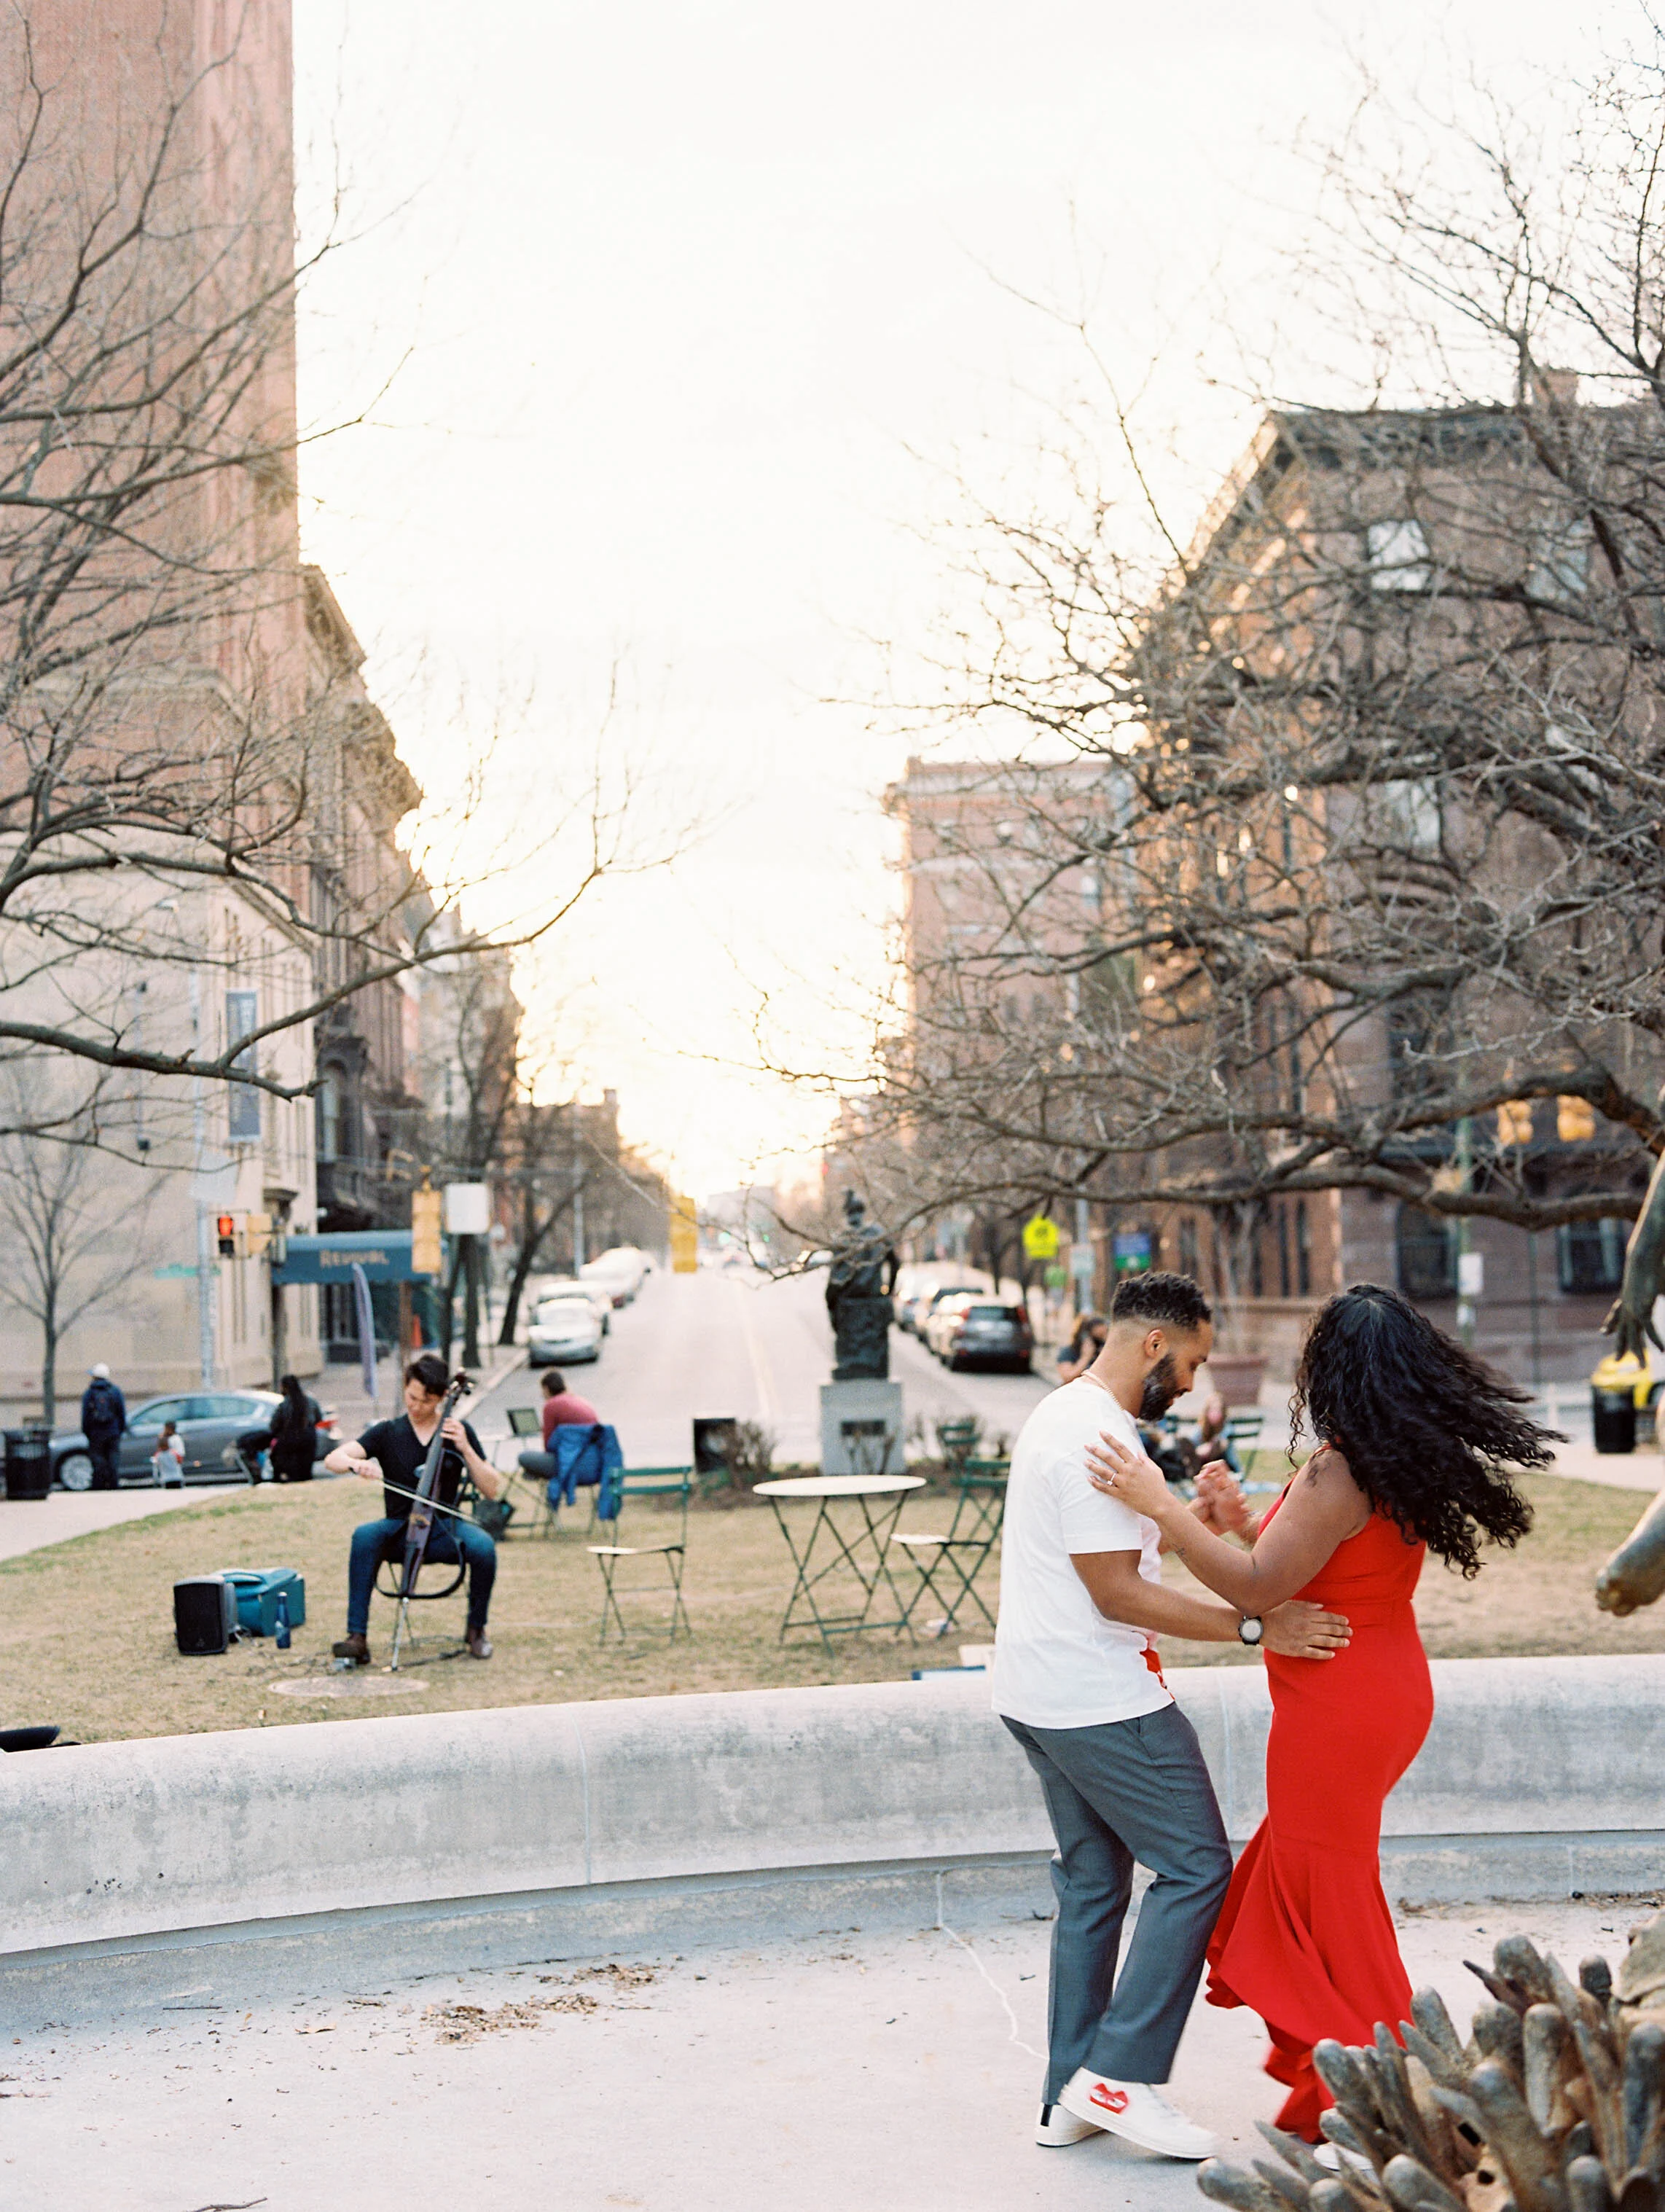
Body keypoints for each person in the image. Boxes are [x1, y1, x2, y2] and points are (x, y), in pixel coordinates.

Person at [1085, 1282, 1551, 2146]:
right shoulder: (1399, 1452)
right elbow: (1300, 1559)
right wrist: (1228, 1518)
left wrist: (1160, 1506)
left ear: (1329, 1369)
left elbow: (1261, 1586)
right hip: (1379, 1687)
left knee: (1327, 1899)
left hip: (1336, 1706)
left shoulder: (1339, 1466)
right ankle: (1342, 2085)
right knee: (1317, 1885)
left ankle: (1397, 2096)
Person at [990, 1270, 1352, 2162]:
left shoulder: (1065, 1411)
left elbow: (1115, 1560)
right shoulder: (1097, 1436)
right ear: (1154, 1343)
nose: (1190, 1382)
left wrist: (1190, 1520)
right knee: (1195, 1866)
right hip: (1096, 1697)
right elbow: (1115, 1592)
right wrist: (1254, 1624)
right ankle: (1119, 2074)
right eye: (1188, 1361)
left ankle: (1067, 2096)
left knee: (1091, 1886)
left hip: (1034, 1690)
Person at [324, 1354, 509, 1664]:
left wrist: (465, 1448)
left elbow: (491, 1488)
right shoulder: (387, 1432)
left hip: (444, 1527)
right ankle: (357, 1637)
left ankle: (476, 1630)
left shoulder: (456, 1431)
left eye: (426, 1401)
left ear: (440, 1399)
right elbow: (333, 1459)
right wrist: (357, 1464)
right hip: (399, 1526)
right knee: (364, 1537)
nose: (416, 1406)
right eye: (411, 1397)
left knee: (484, 1548)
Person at [515, 1367, 601, 1490]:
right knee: (532, 1468)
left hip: (569, 1463)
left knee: (524, 1457)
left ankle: (534, 1475)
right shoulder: (582, 1401)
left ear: (546, 1388)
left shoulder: (551, 1405)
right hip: (593, 1463)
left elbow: (548, 1445)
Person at [79, 1363, 127, 1491]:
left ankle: (99, 1484)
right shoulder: (115, 1391)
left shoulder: (89, 1393)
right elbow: (121, 1413)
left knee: (98, 1459)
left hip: (96, 1433)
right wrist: (120, 1430)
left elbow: (85, 1416)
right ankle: (113, 1484)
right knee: (113, 1459)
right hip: (113, 1432)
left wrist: (87, 1432)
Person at [267, 1374, 322, 1483]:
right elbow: (318, 1418)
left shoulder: (284, 1404)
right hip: (309, 1438)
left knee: (291, 1472)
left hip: (290, 1440)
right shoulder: (310, 1401)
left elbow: (274, 1425)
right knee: (306, 1471)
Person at [1054, 1313, 1108, 1385]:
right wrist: (1086, 1357)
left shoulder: (1104, 1352)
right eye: (1099, 1337)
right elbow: (1068, 1377)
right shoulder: (1068, 1352)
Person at [149, 1420, 185, 1488]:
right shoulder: (162, 1453)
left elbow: (180, 1456)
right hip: (170, 1476)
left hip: (171, 1476)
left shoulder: (175, 1439)